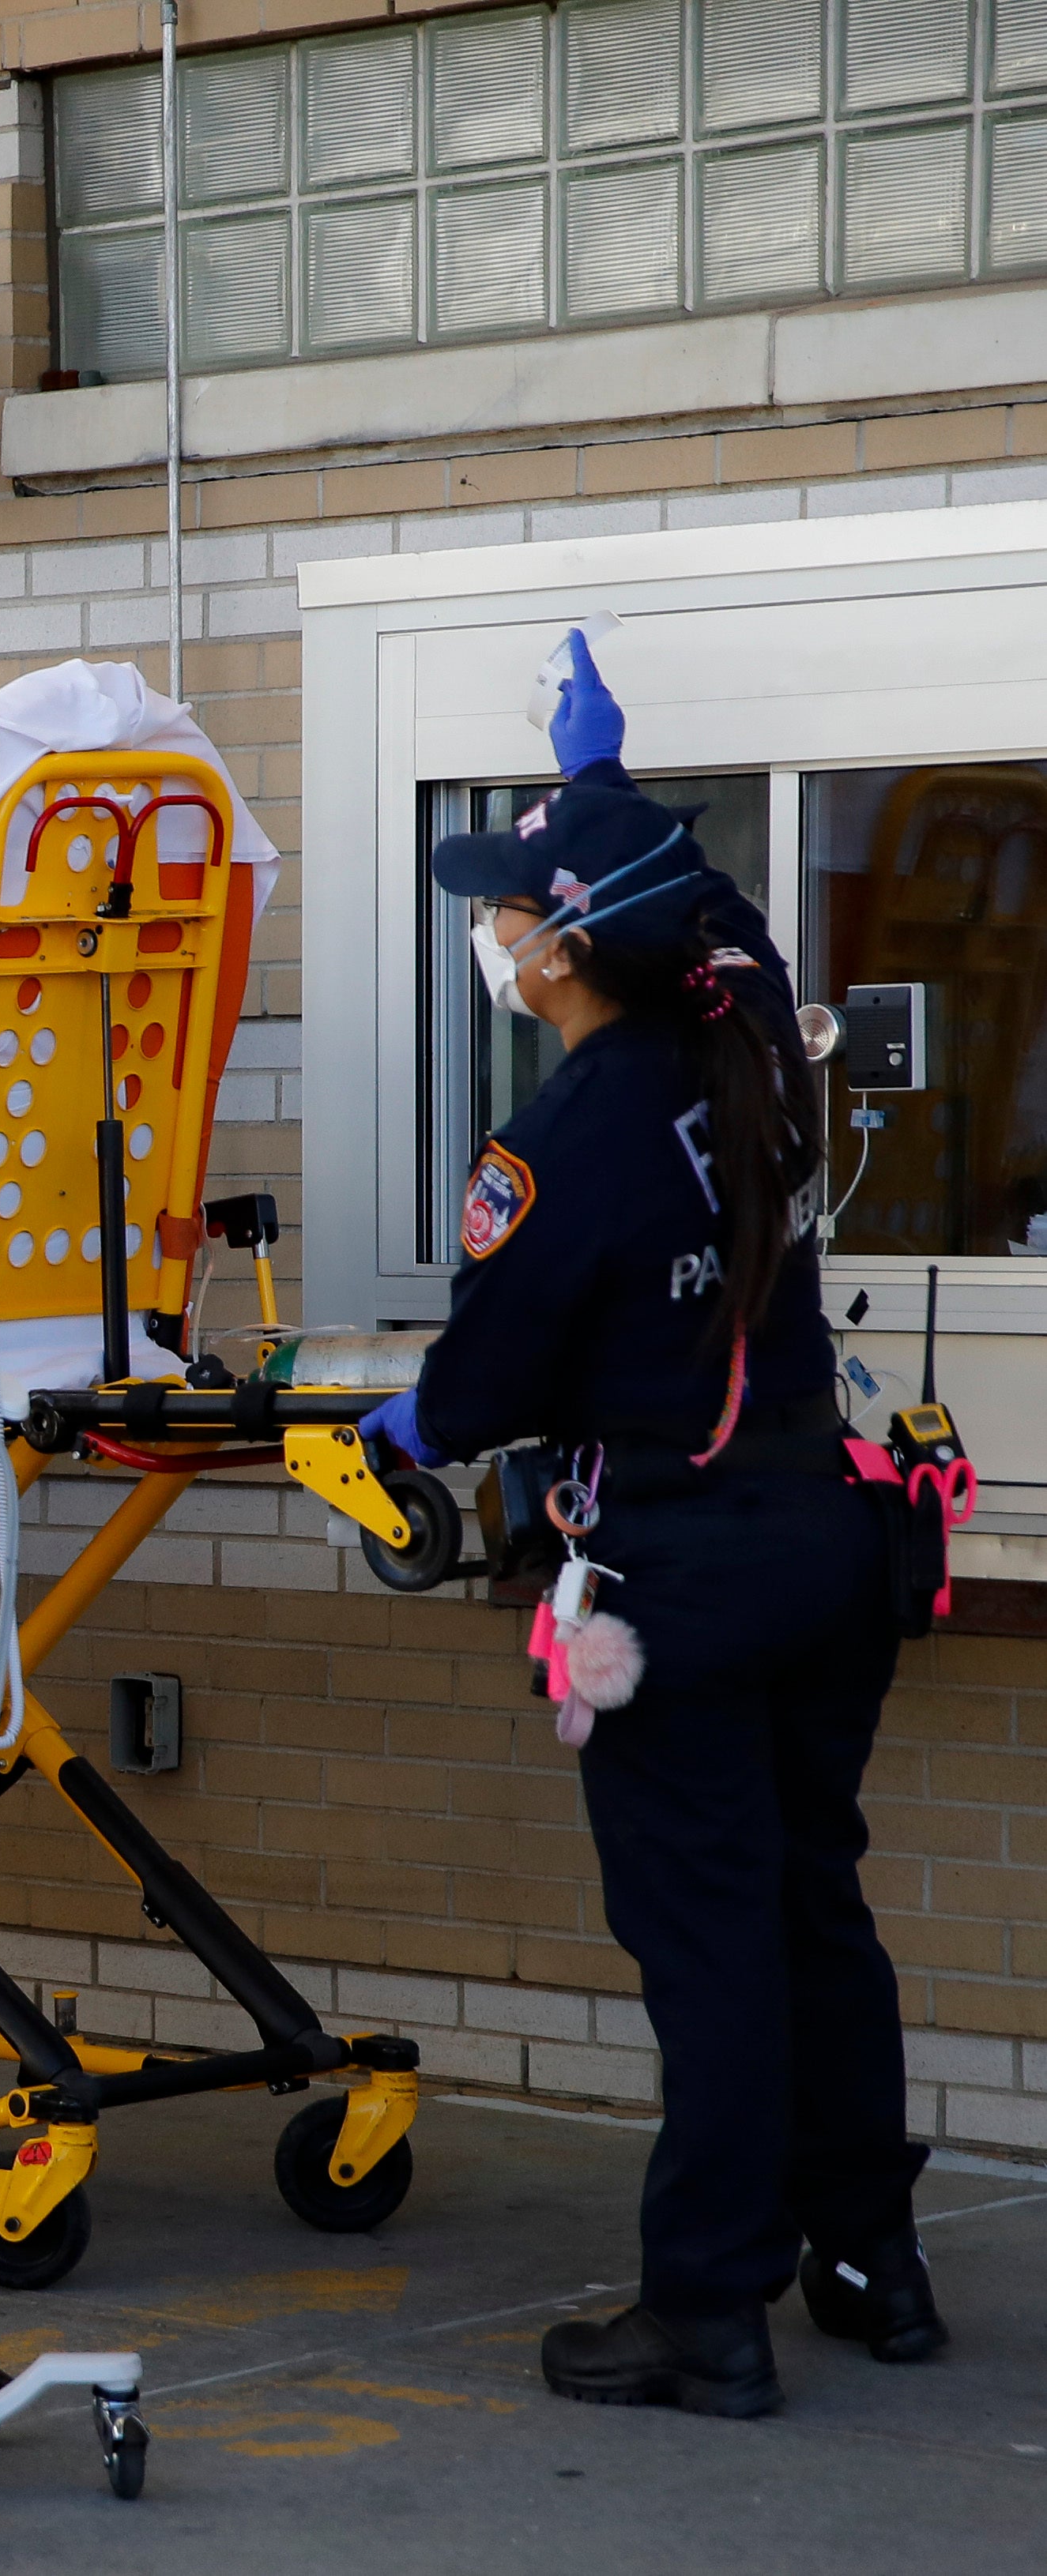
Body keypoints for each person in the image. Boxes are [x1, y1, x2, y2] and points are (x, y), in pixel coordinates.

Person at [365, 630, 936, 2416]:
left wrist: (403, 1422)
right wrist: (598, 793)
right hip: (822, 1543)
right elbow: (724, 925)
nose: (489, 936)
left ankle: (705, 2306)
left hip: (674, 1580)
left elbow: (479, 1383)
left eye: (503, 909)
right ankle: (870, 2258)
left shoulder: (559, 1140)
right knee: (808, 1901)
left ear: (556, 949)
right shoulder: (747, 1031)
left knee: (708, 1941)